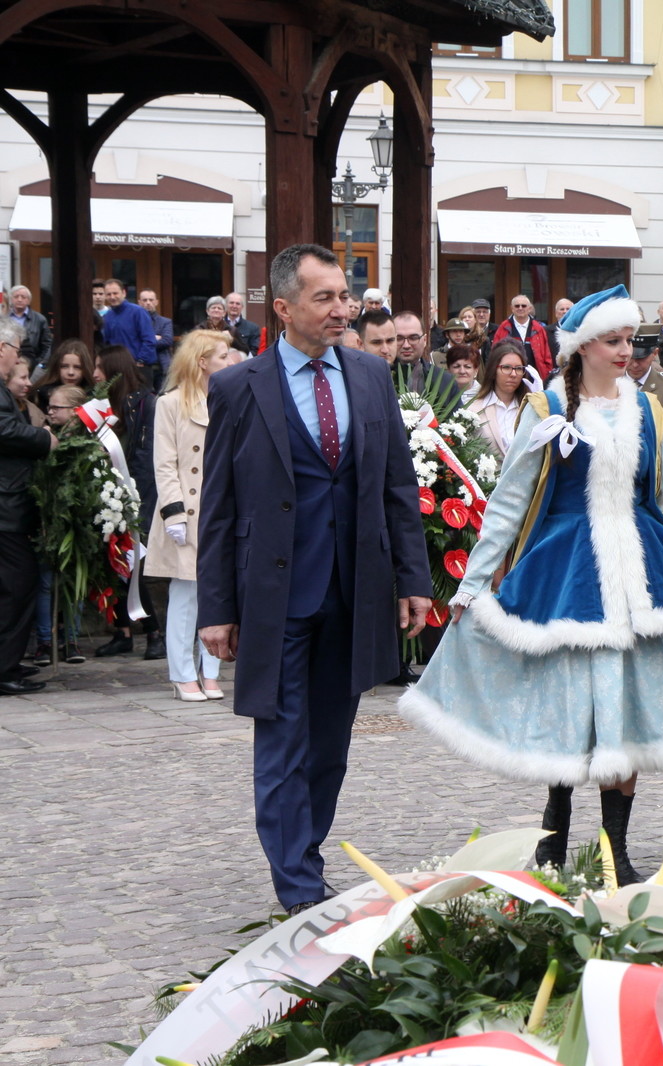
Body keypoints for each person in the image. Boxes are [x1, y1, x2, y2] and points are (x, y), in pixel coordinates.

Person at [400, 286, 663, 885]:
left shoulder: (648, 409)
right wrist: (472, 583)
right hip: (569, 572)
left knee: (627, 713)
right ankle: (554, 833)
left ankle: (615, 851)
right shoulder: (547, 407)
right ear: (582, 347)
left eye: (629, 339)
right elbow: (509, 500)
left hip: (641, 574)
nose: (626, 350)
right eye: (613, 340)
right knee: (570, 706)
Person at [197, 243, 431, 913]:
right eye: (324, 297)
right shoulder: (239, 387)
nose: (341, 308)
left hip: (355, 590)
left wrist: (413, 579)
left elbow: (396, 485)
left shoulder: (370, 375)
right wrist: (217, 607)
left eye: (344, 295)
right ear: (283, 307)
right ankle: (299, 886)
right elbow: (219, 504)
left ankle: (307, 852)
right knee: (281, 743)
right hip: (275, 596)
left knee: (329, 746)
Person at [147, 329, 237, 702]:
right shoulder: (170, 404)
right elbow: (164, 464)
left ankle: (211, 671)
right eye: (223, 356)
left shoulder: (228, 399)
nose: (230, 361)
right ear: (202, 361)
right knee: (186, 595)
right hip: (187, 510)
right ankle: (183, 673)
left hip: (221, 509)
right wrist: (174, 514)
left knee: (220, 591)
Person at [92, 344, 164, 661]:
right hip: (107, 498)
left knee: (131, 566)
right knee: (113, 565)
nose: (94, 373)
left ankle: (154, 632)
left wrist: (137, 506)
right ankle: (122, 632)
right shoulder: (103, 406)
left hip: (135, 497)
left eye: (99, 367)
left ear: (114, 370)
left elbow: (147, 460)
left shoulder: (146, 405)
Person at [0, 320, 56, 695]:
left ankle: (8, 661)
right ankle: (4, 668)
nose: (19, 357)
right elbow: (4, 430)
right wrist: (43, 437)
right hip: (5, 507)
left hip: (10, 502)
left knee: (17, 585)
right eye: (17, 350)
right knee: (17, 585)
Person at [32, 384, 86, 667]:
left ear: (75, 411)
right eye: (49, 407)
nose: (50, 411)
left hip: (77, 522)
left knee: (74, 582)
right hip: (47, 521)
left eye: (56, 407)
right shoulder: (45, 438)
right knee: (44, 583)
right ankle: (44, 641)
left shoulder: (88, 442)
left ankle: (72, 638)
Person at [468, 342, 535, 458]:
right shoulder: (474, 410)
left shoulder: (531, 409)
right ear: (494, 371)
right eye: (506, 367)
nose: (513, 374)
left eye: (519, 369)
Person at [392, 311, 462, 409]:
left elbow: (457, 417)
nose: (406, 345)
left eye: (413, 338)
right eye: (399, 338)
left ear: (424, 340)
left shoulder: (445, 381)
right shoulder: (381, 379)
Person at [100, 279, 157, 381]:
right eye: (108, 294)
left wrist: (140, 360)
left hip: (139, 368)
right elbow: (107, 343)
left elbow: (149, 340)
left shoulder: (138, 312)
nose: (112, 297)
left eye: (115, 293)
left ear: (124, 293)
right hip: (116, 369)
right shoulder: (108, 316)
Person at [492, 294, 555, 381]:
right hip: (509, 376)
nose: (520, 308)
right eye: (517, 306)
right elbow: (495, 353)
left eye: (523, 306)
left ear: (529, 308)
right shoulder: (503, 327)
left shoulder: (539, 329)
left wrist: (546, 377)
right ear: (512, 308)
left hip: (534, 377)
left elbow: (547, 357)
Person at [33, 340, 93, 411]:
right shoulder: (41, 396)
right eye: (64, 366)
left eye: (77, 367)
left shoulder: (94, 397)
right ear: (56, 368)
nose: (71, 372)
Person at [10, 285, 51, 368]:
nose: (19, 299)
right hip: (9, 363)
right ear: (11, 299)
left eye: (23, 297)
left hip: (32, 365)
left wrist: (40, 365)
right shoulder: (4, 318)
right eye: (16, 297)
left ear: (29, 301)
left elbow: (47, 346)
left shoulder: (40, 319)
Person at [139, 289, 176, 375]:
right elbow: (132, 342)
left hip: (161, 366)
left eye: (151, 300)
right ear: (139, 302)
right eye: (145, 300)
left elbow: (167, 341)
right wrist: (154, 338)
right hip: (140, 366)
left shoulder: (165, 322)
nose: (148, 303)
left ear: (156, 302)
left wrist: (144, 341)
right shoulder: (134, 322)